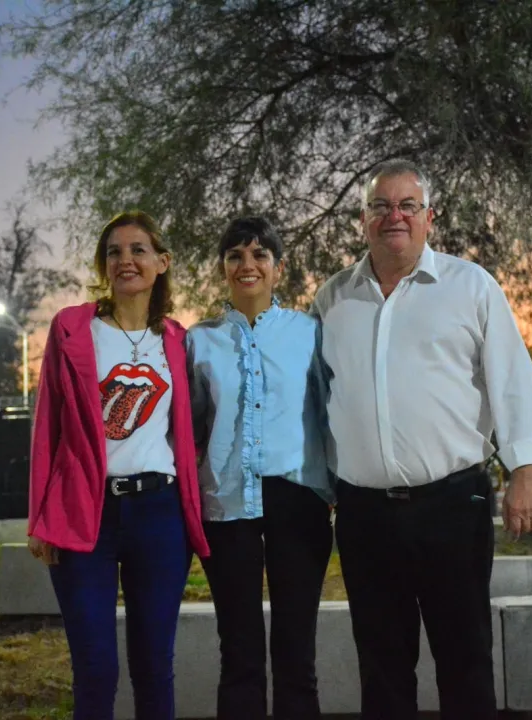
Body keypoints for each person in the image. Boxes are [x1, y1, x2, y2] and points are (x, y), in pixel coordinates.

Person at [311, 160, 532, 720]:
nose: (394, 216)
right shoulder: (332, 299)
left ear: (428, 218)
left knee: (464, 658)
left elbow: (512, 380)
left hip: (452, 504)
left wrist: (525, 474)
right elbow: (320, 399)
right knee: (382, 665)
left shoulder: (471, 287)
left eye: (407, 206)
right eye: (380, 206)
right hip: (364, 514)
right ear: (364, 219)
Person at [27, 211, 209, 720]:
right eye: (114, 252)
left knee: (154, 664)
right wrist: (40, 516)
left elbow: (186, 432)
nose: (125, 260)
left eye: (137, 250)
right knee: (95, 665)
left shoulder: (177, 339)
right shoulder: (72, 328)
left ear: (161, 262)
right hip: (86, 513)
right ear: (103, 265)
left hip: (159, 514)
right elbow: (49, 426)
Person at [187, 217, 334, 720]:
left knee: (297, 648)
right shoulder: (199, 341)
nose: (247, 265)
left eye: (258, 256)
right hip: (226, 505)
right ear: (223, 269)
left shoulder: (309, 333)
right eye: (235, 256)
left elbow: (327, 410)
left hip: (298, 500)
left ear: (278, 268)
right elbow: (191, 426)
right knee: (239, 649)